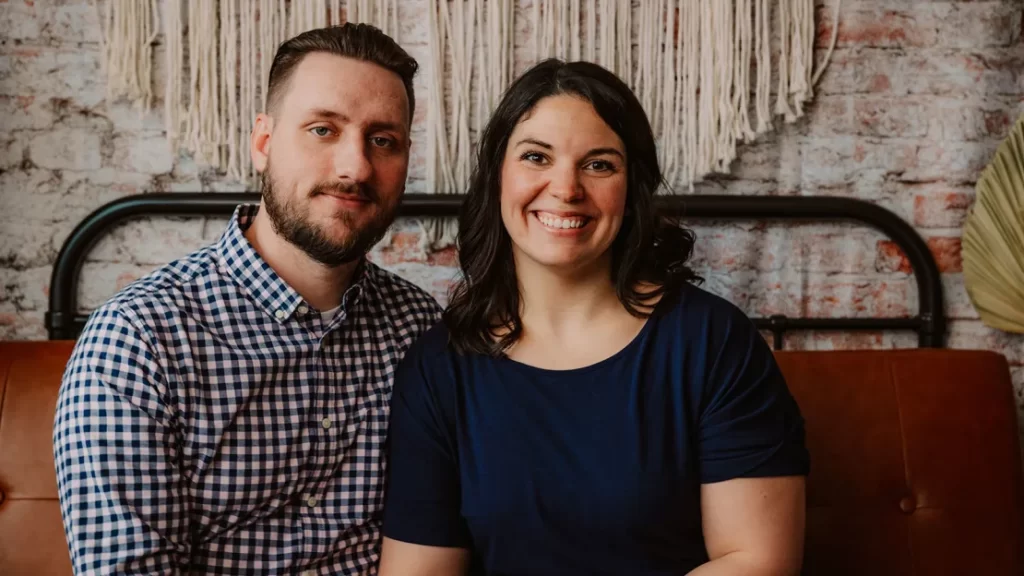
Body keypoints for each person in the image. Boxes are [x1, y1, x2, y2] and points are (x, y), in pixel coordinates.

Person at [378, 59, 810, 576]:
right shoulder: (439, 367)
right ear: (497, 177)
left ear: (631, 189)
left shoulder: (712, 343)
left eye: (599, 164)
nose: (566, 188)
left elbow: (758, 560)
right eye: (536, 157)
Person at [53, 24, 440, 575]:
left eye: (383, 140)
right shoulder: (140, 341)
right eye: (323, 129)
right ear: (263, 143)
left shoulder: (420, 328)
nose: (355, 167)